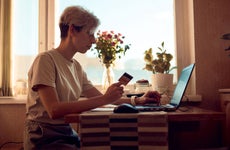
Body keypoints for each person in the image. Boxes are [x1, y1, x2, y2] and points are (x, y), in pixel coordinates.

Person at [23, 5, 161, 150]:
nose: (94, 41)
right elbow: (54, 110)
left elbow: (102, 98)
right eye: (90, 33)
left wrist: (138, 100)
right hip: (44, 136)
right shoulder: (45, 60)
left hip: (66, 132)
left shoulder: (76, 67)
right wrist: (105, 98)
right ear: (72, 30)